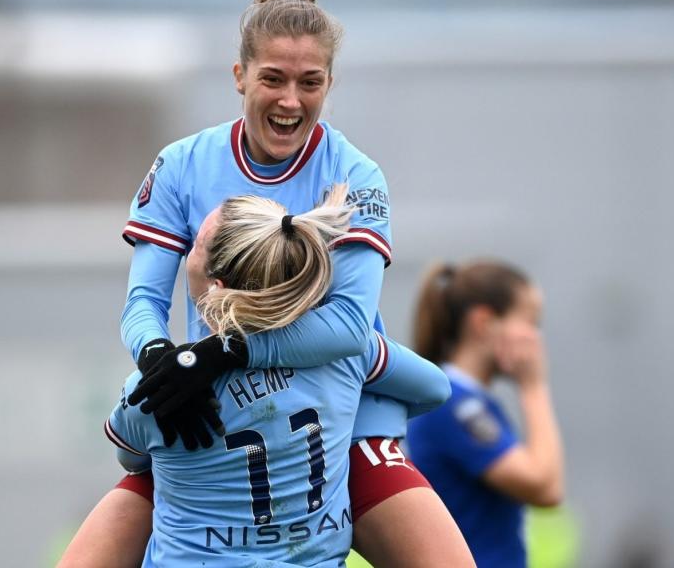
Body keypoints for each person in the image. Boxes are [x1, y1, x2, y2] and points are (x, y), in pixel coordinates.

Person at [59, 0, 473, 567]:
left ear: (330, 83)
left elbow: (349, 327)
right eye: (273, 78)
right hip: (216, 406)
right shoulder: (182, 165)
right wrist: (162, 364)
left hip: (343, 415)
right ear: (239, 77)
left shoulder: (355, 173)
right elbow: (143, 302)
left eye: (311, 83)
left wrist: (220, 353)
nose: (290, 100)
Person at [98, 188, 457, 566]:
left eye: (196, 245)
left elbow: (132, 461)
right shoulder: (348, 355)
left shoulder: (155, 391)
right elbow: (434, 388)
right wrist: (344, 426)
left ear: (216, 289)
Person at [406, 260, 565, 568]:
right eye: (530, 322)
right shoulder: (454, 405)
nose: (536, 339)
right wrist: (533, 387)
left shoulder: (468, 400)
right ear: (484, 323)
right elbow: (545, 486)